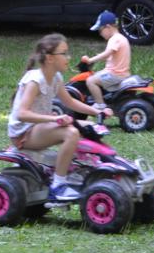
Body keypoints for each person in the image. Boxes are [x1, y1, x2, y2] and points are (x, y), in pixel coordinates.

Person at [8, 32, 112, 203]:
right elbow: (22, 113)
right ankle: (58, 185)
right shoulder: (35, 80)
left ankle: (78, 169)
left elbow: (69, 101)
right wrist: (53, 119)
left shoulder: (55, 77)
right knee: (71, 133)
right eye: (63, 53)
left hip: (38, 128)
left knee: (89, 126)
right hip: (23, 133)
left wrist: (98, 111)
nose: (68, 58)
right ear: (50, 58)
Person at [81, 10, 131, 113]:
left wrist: (90, 60)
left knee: (90, 81)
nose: (100, 34)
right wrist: (99, 56)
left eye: (100, 30)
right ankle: (105, 97)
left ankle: (100, 105)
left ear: (108, 27)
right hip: (121, 73)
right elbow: (110, 55)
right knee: (96, 75)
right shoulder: (121, 38)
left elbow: (107, 53)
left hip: (115, 74)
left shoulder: (115, 39)